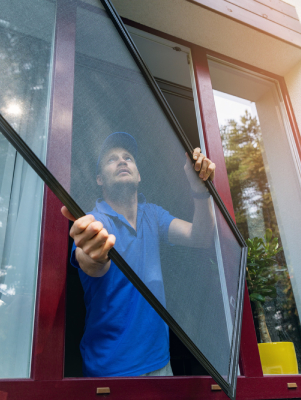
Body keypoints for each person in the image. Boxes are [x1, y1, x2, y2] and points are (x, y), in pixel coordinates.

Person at [61, 132, 215, 377]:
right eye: (112, 159)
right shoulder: (95, 221)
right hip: (111, 370)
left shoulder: (152, 215)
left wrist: (200, 191)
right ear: (100, 179)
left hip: (160, 362)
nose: (122, 161)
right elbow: (90, 262)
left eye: (128, 157)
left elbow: (201, 236)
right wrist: (93, 255)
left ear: (139, 174)